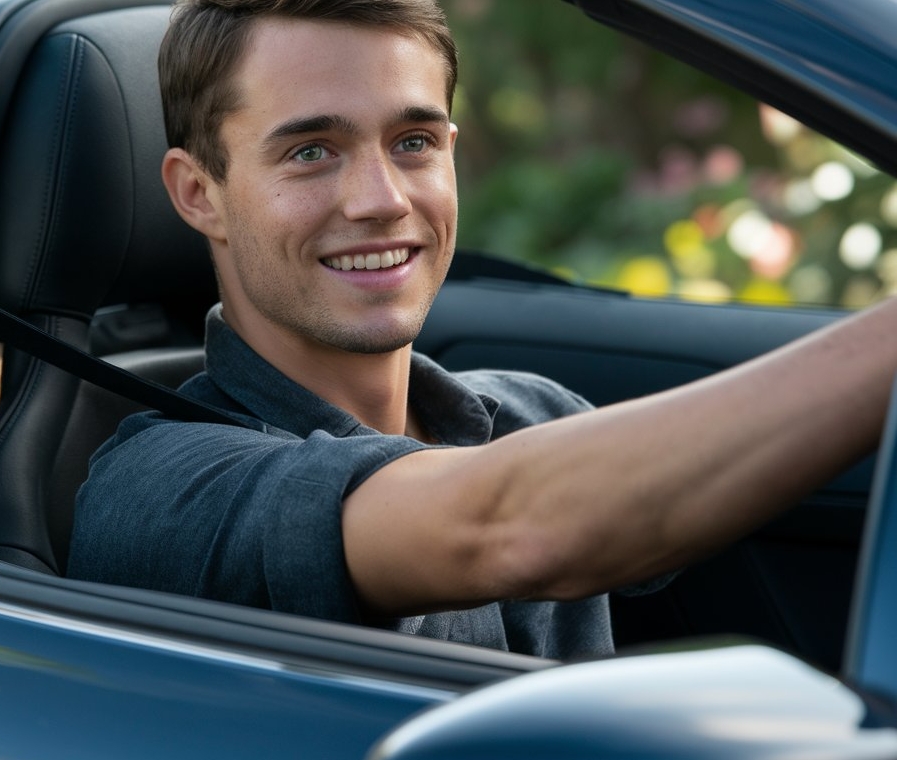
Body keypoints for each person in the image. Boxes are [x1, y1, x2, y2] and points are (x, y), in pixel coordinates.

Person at [67, 0, 897, 661]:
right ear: (197, 193)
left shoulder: (526, 412)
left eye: (414, 141)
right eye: (311, 152)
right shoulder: (157, 485)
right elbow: (505, 529)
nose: (382, 198)